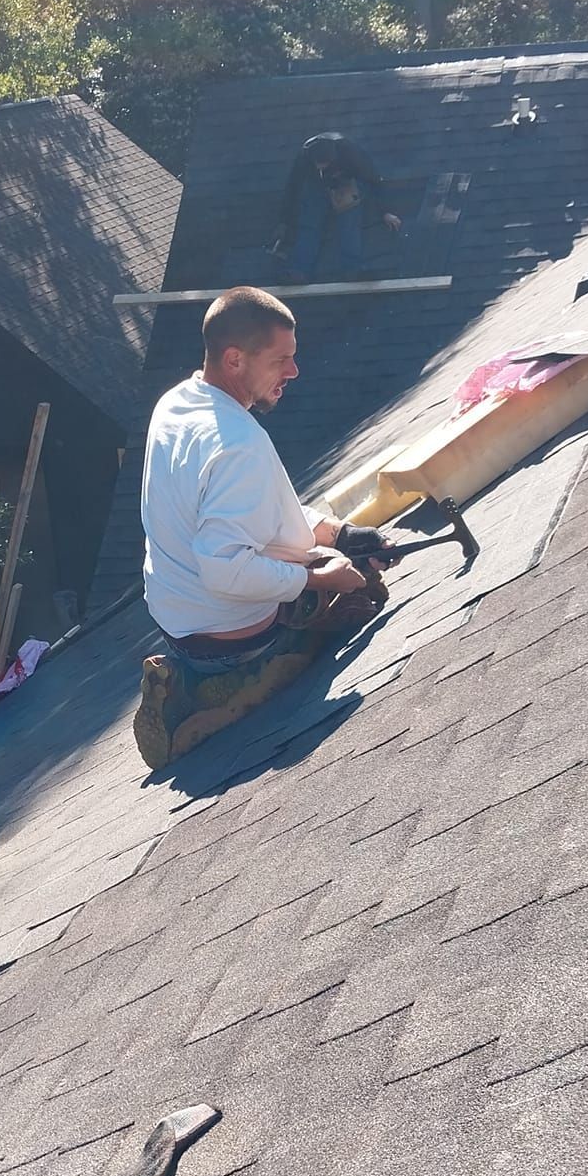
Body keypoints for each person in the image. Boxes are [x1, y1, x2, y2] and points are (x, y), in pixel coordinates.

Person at [133, 286, 390, 769]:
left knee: (333, 561)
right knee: (362, 597)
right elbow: (226, 571)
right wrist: (322, 578)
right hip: (231, 633)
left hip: (178, 619)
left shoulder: (180, 404)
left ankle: (187, 676)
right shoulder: (238, 445)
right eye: (280, 361)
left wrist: (340, 535)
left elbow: (263, 516)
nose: (293, 372)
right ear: (234, 359)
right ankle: (218, 696)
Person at [276, 132, 402, 282]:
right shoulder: (305, 156)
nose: (321, 170)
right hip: (317, 188)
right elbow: (293, 188)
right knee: (309, 224)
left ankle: (352, 270)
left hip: (345, 182)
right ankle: (299, 271)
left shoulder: (350, 152)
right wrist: (284, 221)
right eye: (318, 167)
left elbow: (374, 179)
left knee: (349, 221)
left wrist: (386, 211)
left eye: (325, 166)